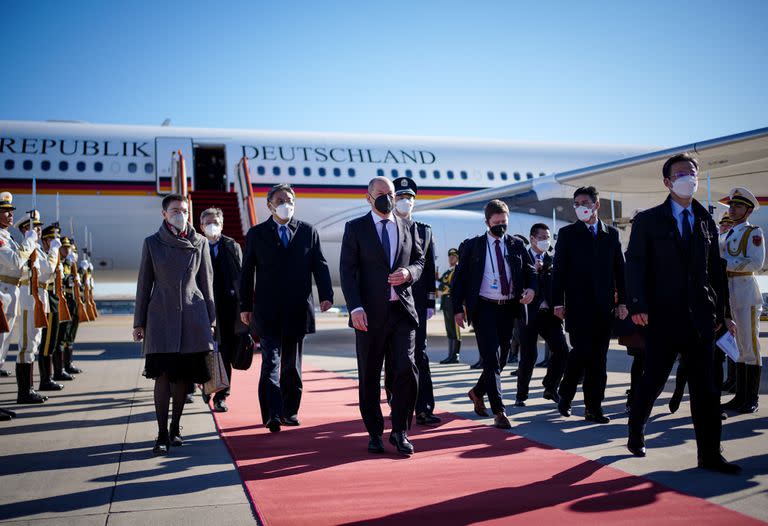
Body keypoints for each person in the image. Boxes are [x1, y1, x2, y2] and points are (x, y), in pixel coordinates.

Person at [626, 153, 740, 474]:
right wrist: (637, 305)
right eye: (680, 174)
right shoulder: (648, 220)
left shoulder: (705, 219)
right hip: (662, 316)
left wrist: (724, 313)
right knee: (654, 380)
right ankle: (636, 429)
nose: (688, 178)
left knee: (706, 388)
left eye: (692, 173)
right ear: (667, 182)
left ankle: (710, 455)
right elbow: (635, 265)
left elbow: (715, 271)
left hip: (701, 317)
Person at [340, 176, 424, 455]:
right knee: (369, 374)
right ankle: (375, 432)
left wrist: (409, 273)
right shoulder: (356, 228)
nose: (387, 197)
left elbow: (420, 261)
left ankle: (400, 431)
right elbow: (347, 272)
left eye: (390, 193)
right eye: (381, 193)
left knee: (406, 370)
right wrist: (355, 308)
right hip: (369, 315)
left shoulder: (407, 225)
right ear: (368, 197)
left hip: (402, 311)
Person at [240, 184, 333, 432]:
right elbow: (247, 273)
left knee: (292, 366)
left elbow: (319, 266)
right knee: (270, 362)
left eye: (289, 199)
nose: (286, 204)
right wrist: (245, 306)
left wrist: (326, 295)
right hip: (267, 310)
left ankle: (289, 411)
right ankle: (272, 413)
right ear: (269, 205)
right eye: (280, 200)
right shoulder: (257, 234)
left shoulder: (307, 231)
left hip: (297, 309)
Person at [134, 193, 216, 455]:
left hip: (192, 317)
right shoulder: (152, 243)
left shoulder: (200, 242)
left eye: (184, 210)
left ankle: (175, 428)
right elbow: (144, 285)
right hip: (161, 317)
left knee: (183, 378)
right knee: (163, 377)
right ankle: (160, 433)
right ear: (164, 214)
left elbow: (207, 283)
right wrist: (139, 322)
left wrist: (211, 321)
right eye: (175, 210)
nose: (180, 214)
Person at [451, 199, 536, 429]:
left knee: (502, 357)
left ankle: (477, 392)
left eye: (504, 222)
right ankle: (500, 411)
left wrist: (531, 289)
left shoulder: (517, 245)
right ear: (487, 222)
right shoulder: (473, 246)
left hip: (508, 306)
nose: (500, 226)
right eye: (496, 222)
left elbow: (531, 272)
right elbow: (458, 281)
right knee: (490, 358)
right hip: (484, 307)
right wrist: (457, 309)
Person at [553, 186, 627, 424]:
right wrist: (557, 302)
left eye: (584, 202)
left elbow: (620, 271)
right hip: (577, 305)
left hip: (604, 308)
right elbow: (559, 273)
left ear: (596, 205)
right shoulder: (567, 234)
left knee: (599, 359)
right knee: (581, 352)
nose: (580, 207)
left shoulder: (611, 234)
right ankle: (566, 393)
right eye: (576, 203)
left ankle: (593, 408)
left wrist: (623, 301)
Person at [391, 177, 440, 425]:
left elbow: (430, 268)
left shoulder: (424, 230)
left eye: (409, 198)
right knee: (393, 355)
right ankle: (395, 403)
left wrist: (430, 302)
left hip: (417, 302)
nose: (405, 202)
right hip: (391, 301)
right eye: (400, 197)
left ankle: (424, 407)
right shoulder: (385, 227)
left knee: (419, 354)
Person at [720, 187, 764, 414]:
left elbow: (756, 263)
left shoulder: (752, 233)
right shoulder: (728, 234)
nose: (733, 209)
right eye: (731, 206)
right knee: (738, 347)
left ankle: (751, 399)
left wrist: (725, 265)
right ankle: (740, 396)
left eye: (737, 206)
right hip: (730, 292)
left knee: (750, 347)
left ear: (747, 210)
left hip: (746, 291)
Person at [515, 223, 569, 407]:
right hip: (529, 314)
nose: (546, 241)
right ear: (532, 238)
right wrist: (535, 272)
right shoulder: (522, 258)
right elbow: (518, 284)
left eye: (548, 237)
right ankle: (521, 394)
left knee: (562, 350)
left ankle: (550, 386)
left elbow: (559, 285)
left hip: (550, 314)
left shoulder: (553, 260)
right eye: (542, 237)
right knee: (529, 356)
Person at [0, 193, 40, 419]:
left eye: (10, 210)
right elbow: (15, 262)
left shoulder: (7, 237)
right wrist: (31, 241)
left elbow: (22, 268)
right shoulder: (1, 238)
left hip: (10, 293)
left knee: (2, 351)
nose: (10, 214)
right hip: (3, 293)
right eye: (5, 211)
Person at [201, 208, 243, 413]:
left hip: (226, 308)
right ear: (201, 226)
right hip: (202, 308)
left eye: (215, 222)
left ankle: (221, 396)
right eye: (207, 222)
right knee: (202, 351)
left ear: (222, 224)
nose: (212, 225)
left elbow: (241, 275)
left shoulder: (231, 246)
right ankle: (203, 385)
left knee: (224, 353)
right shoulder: (196, 246)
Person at [13, 211, 57, 404]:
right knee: (26, 344)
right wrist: (54, 251)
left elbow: (48, 274)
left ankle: (29, 388)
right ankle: (23, 392)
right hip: (28, 297)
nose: (38, 230)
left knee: (34, 343)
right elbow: (46, 269)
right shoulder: (25, 247)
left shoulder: (36, 250)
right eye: (34, 227)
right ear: (25, 229)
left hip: (38, 296)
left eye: (39, 227)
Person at [438, 248, 462, 364]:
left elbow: (449, 286)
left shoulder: (457, 270)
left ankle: (455, 355)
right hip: (446, 303)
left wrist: (442, 285)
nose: (451, 258)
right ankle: (450, 355)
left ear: (457, 258)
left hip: (453, 302)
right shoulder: (447, 272)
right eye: (449, 256)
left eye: (453, 256)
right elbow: (440, 283)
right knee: (450, 330)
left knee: (455, 329)